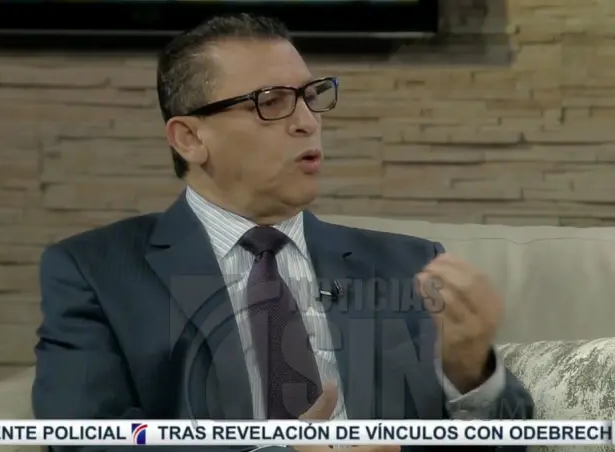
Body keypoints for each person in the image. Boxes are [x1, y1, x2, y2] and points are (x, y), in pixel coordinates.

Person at [32, 13, 533, 452]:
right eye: (271, 102)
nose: (307, 122)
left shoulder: (408, 266)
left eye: (311, 97)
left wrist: (471, 373)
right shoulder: (97, 272)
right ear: (190, 138)